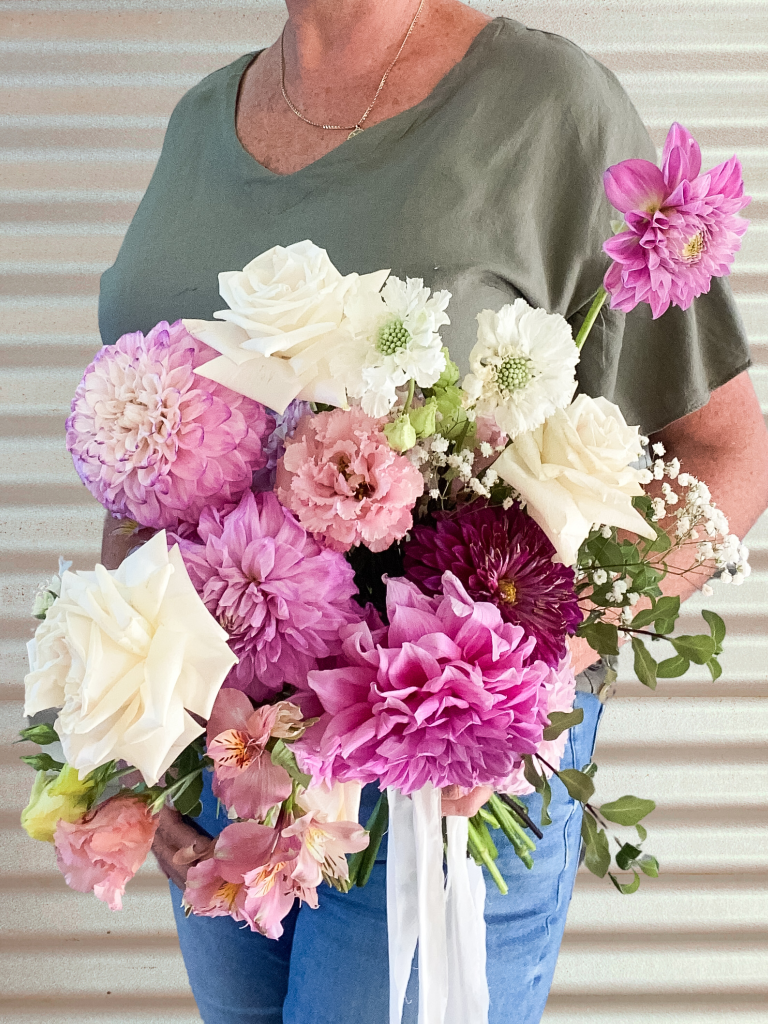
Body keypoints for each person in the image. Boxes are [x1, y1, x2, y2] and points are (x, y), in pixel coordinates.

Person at [97, 2, 768, 1021]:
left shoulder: (548, 108)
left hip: (433, 778)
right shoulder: (200, 122)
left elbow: (726, 451)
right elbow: (143, 474)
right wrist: (122, 728)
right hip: (229, 772)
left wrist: (505, 683)